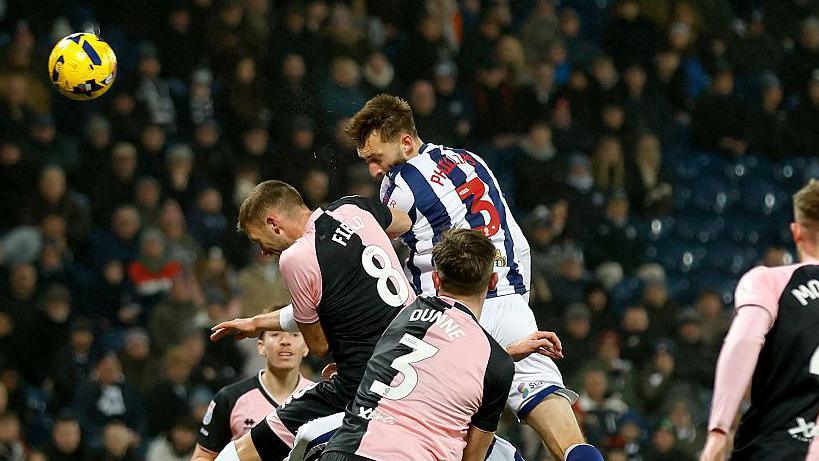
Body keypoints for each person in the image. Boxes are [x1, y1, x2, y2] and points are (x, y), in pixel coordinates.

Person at [345, 94, 601, 460]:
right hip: (509, 299)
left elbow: (390, 227)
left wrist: (348, 220)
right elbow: (514, 234)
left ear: (404, 142)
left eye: (375, 158)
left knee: (427, 427)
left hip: (448, 319)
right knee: (551, 411)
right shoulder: (471, 160)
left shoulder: (399, 183)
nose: (374, 170)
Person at [209, 180, 416, 460]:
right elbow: (403, 222)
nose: (264, 252)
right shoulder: (352, 207)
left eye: (259, 241)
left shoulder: (296, 258)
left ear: (274, 223)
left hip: (363, 385)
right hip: (418, 360)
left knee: (238, 453)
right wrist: (257, 323)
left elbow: (317, 345)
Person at [320, 229, 515, 460]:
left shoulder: (402, 312)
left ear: (436, 278)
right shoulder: (498, 364)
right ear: (493, 282)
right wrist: (506, 356)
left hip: (345, 450)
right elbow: (473, 456)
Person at [700, 180, 819, 461]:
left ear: (796, 231)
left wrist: (719, 430)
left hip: (776, 445)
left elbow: (743, 341)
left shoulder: (768, 280)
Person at [192, 325, 313, 460]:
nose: (285, 341)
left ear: (306, 347)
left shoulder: (323, 398)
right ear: (261, 346)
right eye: (275, 335)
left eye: (294, 335)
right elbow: (202, 457)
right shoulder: (230, 398)